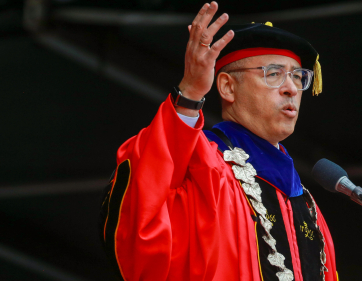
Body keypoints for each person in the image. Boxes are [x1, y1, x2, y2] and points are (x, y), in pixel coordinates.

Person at [99, 2, 337, 281]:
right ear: (227, 87)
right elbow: (144, 192)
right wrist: (189, 93)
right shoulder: (200, 165)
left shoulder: (308, 207)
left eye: (298, 76)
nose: (291, 88)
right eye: (273, 74)